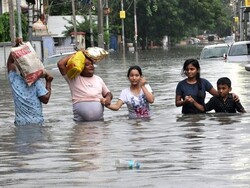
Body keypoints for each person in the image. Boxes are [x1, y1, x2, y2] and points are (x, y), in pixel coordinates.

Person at [7, 38, 54, 126]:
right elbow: (45, 99)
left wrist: (15, 47)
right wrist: (48, 82)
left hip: (20, 123)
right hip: (36, 123)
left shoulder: (14, 80)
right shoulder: (36, 83)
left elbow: (10, 63)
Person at [57, 51, 112, 122]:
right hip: (81, 125)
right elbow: (60, 64)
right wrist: (78, 54)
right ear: (81, 66)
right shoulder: (73, 78)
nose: (91, 66)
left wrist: (108, 98)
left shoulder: (98, 79)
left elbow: (108, 93)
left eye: (92, 64)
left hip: (99, 125)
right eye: (87, 64)